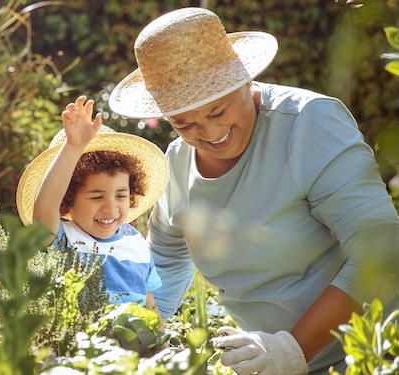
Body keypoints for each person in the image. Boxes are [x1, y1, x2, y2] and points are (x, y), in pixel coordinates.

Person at [108, 7, 399, 375]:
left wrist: (292, 350)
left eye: (217, 111)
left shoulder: (309, 125)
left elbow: (382, 251)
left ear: (244, 79)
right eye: (184, 123)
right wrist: (142, 332)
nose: (210, 134)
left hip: (374, 357)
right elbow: (165, 260)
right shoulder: (177, 165)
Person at [16, 95, 169, 317]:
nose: (110, 207)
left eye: (120, 195)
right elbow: (45, 207)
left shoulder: (135, 241)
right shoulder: (64, 238)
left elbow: (148, 301)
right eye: (96, 197)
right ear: (67, 201)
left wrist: (161, 344)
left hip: (135, 348)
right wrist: (73, 146)